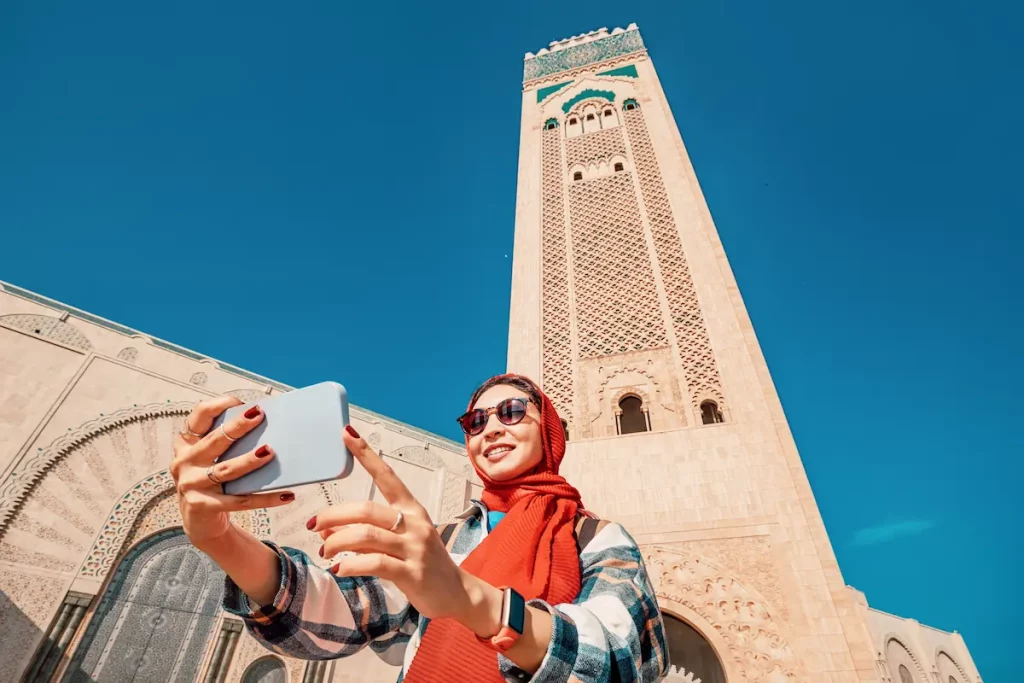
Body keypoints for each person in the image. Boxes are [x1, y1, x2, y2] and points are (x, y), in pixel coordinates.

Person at [170, 373, 669, 682]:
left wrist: (476, 603)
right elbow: (339, 613)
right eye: (475, 421)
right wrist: (221, 539)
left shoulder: (595, 537)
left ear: (550, 431)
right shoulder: (444, 540)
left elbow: (628, 658)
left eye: (512, 411)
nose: (491, 427)